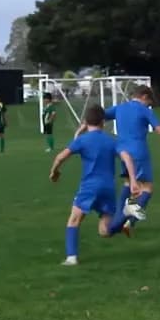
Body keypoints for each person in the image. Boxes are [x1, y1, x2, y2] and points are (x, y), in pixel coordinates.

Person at [76, 86, 160, 236]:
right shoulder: (144, 110)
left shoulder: (119, 108)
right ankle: (120, 224)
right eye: (149, 102)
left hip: (122, 153)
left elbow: (96, 117)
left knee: (128, 184)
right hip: (139, 153)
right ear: (144, 96)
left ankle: (122, 222)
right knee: (147, 189)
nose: (149, 105)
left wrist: (81, 129)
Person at [49, 105, 141, 266]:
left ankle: (71, 258)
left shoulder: (82, 140)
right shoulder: (110, 141)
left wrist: (54, 171)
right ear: (103, 122)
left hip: (90, 187)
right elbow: (127, 157)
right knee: (104, 231)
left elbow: (60, 157)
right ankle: (125, 215)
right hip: (108, 188)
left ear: (85, 122)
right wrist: (133, 180)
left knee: (74, 220)